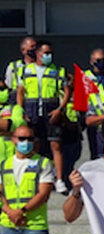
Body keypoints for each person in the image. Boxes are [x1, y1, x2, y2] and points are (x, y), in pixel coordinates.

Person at [16, 41, 69, 194]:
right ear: (38, 53)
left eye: (50, 53)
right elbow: (20, 92)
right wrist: (21, 110)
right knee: (34, 145)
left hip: (51, 110)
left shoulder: (58, 70)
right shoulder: (26, 70)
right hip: (32, 111)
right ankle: (36, 178)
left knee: (56, 145)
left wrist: (60, 109)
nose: (49, 56)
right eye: (46, 53)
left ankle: (59, 180)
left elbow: (66, 90)